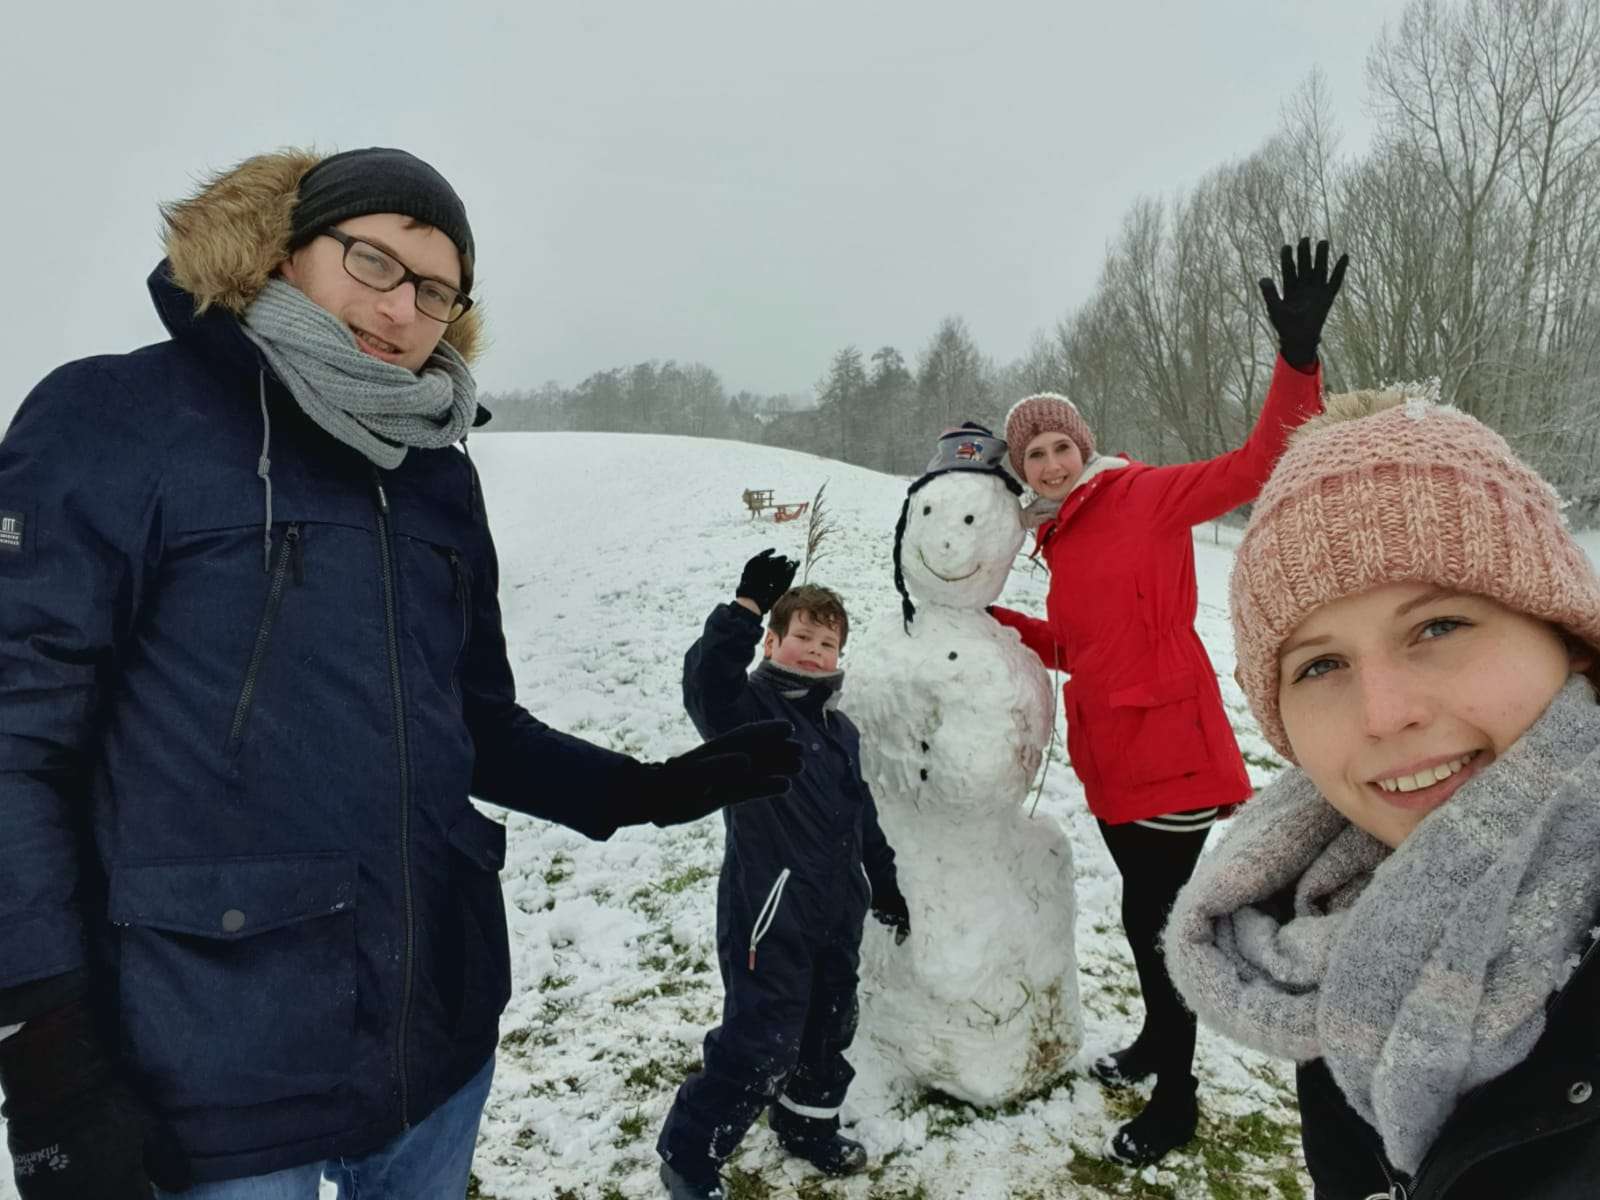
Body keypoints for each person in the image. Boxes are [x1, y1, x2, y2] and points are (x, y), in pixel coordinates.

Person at [0, 147, 802, 1200]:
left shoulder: (434, 472)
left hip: (433, 1047)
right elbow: (16, 744)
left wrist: (638, 791)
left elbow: (473, 719)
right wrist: (47, 1053)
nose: (401, 309)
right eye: (372, 261)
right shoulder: (119, 417)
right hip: (209, 1069)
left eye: (435, 290)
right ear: (285, 250)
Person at [1164, 386, 1600, 1198]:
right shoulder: (1331, 926)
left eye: (1439, 626)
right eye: (1321, 665)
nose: (1384, 714)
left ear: (1568, 636)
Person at [987, 238, 1349, 1165]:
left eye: (1060, 445)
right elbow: (1080, 646)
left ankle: (1177, 1098)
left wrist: (1297, 358)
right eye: (1035, 453)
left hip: (1169, 753)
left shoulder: (1141, 494)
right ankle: (1157, 1042)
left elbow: (1258, 462)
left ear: (1085, 444)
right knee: (1140, 917)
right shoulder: (1062, 535)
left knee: (1162, 929)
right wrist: (999, 624)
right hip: (1110, 756)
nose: (1051, 462)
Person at [656, 551, 909, 1200]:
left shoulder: (840, 731)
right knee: (762, 1037)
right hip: (769, 910)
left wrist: (883, 884)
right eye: (803, 637)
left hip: (837, 911)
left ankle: (806, 1124)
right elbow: (706, 682)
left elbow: (861, 814)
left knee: (830, 1025)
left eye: (829, 644)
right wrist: (743, 609)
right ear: (772, 642)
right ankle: (689, 1155)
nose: (816, 653)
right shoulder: (749, 711)